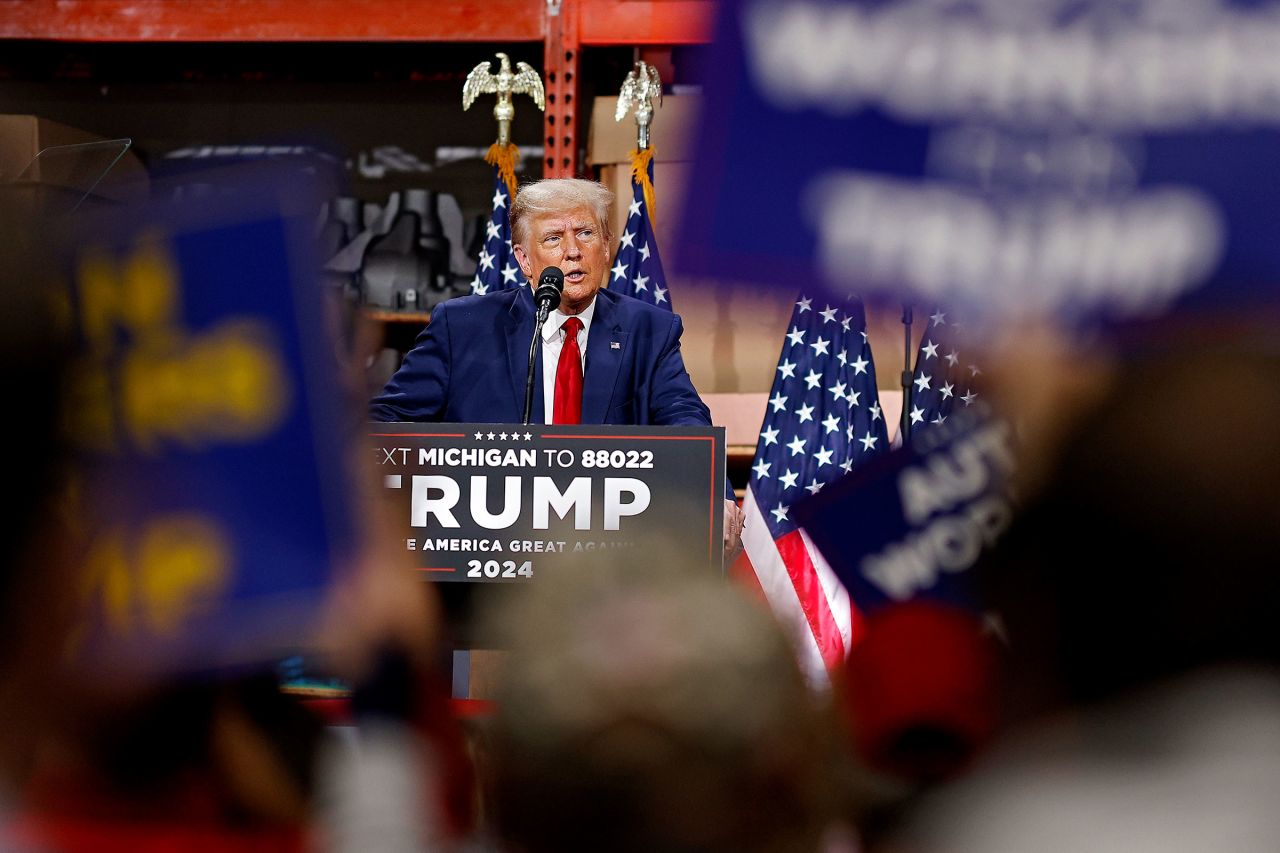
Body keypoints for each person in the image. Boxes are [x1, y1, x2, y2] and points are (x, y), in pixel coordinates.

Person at [371, 178, 744, 552]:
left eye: (585, 233)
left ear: (606, 247)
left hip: (604, 556)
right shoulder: (463, 327)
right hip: (487, 558)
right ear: (523, 260)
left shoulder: (648, 330)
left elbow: (684, 417)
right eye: (552, 238)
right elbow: (388, 420)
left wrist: (713, 490)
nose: (573, 251)